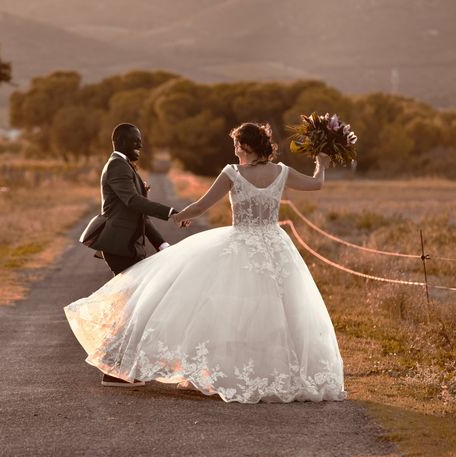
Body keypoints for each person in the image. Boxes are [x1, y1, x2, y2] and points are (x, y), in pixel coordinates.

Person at [65, 122, 346, 403]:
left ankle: (229, 370)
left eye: (236, 145)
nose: (234, 150)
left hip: (241, 244)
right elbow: (317, 183)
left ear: (244, 147)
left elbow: (201, 206)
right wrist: (321, 162)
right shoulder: (282, 172)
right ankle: (284, 372)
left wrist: (178, 215)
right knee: (280, 308)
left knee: (230, 307)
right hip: (276, 245)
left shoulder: (232, 173)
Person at [86, 123, 186, 387]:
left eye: (140, 141)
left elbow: (136, 214)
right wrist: (170, 212)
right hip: (120, 246)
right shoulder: (117, 166)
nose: (139, 146)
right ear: (119, 141)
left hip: (129, 245)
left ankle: (117, 368)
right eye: (134, 141)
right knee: (132, 307)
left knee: (133, 307)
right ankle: (112, 370)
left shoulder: (125, 166)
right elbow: (132, 202)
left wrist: (161, 244)